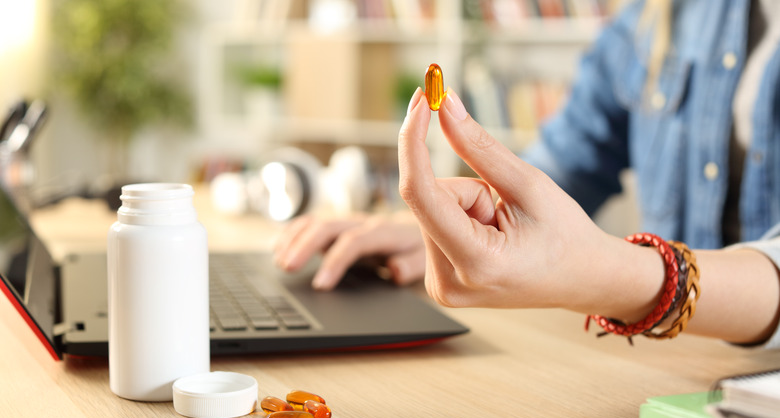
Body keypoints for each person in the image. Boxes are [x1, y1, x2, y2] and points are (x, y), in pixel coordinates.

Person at [274, 0, 780, 347]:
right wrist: (433, 223)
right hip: (665, 374)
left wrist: (612, 275)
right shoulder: (654, 20)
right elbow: (563, 162)